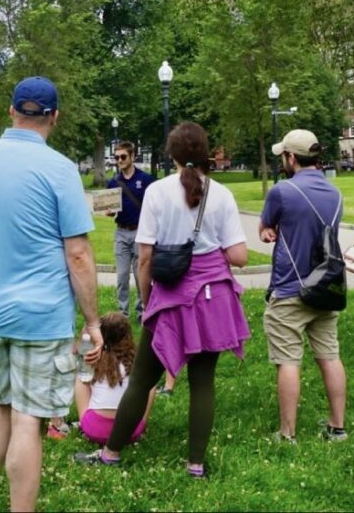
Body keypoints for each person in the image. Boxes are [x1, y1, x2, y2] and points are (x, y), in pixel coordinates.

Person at [0, 76, 102, 512]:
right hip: (44, 316)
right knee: (28, 420)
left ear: (11, 111)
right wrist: (92, 322)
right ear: (55, 116)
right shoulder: (58, 169)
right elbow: (77, 253)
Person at [76, 121, 250, 478]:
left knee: (142, 379)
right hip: (212, 298)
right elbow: (240, 256)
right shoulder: (222, 195)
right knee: (203, 383)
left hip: (170, 298)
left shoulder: (157, 192)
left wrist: (147, 300)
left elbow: (144, 259)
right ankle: (196, 464)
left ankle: (111, 453)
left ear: (171, 155)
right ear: (205, 153)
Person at [258, 129, 348, 443]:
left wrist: (269, 231)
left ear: (292, 158)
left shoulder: (281, 191)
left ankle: (287, 433)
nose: (283, 160)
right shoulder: (336, 194)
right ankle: (337, 428)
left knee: (288, 361)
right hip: (325, 286)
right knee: (329, 355)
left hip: (289, 288)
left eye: (284, 155)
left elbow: (264, 226)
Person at [74, 312, 155, 446]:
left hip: (94, 429)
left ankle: (84, 420)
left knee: (82, 377)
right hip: (130, 431)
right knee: (150, 385)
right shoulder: (136, 363)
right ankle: (141, 423)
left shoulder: (93, 360)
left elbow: (78, 352)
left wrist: (86, 335)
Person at [106, 141, 154, 322]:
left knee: (140, 274)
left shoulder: (146, 180)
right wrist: (109, 211)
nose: (119, 160)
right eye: (116, 157)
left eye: (123, 156)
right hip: (121, 232)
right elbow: (110, 209)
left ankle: (143, 312)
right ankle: (122, 315)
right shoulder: (113, 182)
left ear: (133, 157)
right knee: (122, 276)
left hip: (141, 233)